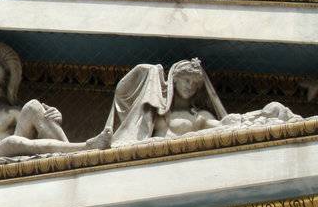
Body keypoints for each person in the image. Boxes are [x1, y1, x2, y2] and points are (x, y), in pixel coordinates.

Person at [0, 42, 111, 165]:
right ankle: (84, 148)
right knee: (11, 143)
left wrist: (53, 116)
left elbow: (38, 126)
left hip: (2, 163)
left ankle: (71, 157)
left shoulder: (11, 113)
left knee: (33, 107)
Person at [106, 58, 298, 145]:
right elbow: (123, 94)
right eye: (186, 80)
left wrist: (256, 117)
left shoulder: (199, 116)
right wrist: (148, 71)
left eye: (195, 83)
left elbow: (222, 125)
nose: (191, 86)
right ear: (174, 79)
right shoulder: (155, 110)